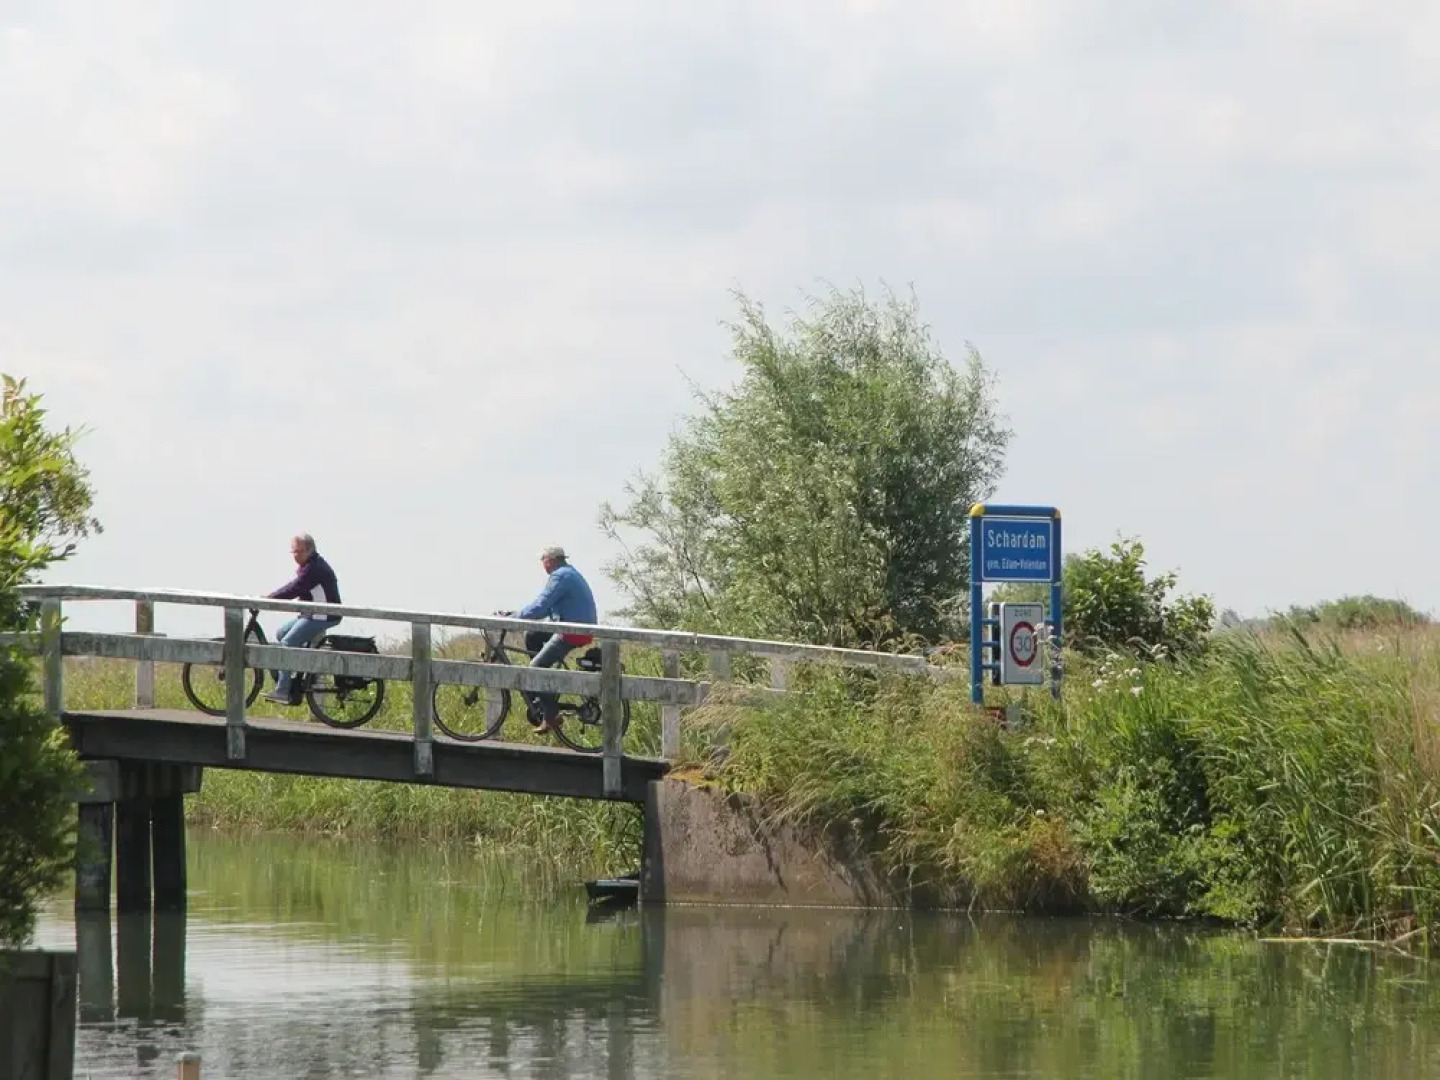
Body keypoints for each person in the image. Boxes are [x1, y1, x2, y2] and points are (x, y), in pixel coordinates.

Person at [516, 545, 597, 732]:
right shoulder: (569, 573)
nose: (542, 565)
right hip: (573, 626)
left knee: (535, 669)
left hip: (571, 631)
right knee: (532, 635)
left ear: (549, 561)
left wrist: (513, 618)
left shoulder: (560, 576)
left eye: (543, 561)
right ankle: (543, 687)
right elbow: (549, 610)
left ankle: (550, 714)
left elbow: (540, 607)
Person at [263, 533, 342, 705]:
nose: (295, 555)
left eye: (297, 551)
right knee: (281, 633)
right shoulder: (309, 566)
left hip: (322, 615)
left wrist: (269, 599)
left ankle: (283, 691)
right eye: (293, 552)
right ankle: (296, 671)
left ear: (308, 550)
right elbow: (294, 586)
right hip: (312, 613)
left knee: (288, 643)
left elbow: (294, 589)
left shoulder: (314, 569)